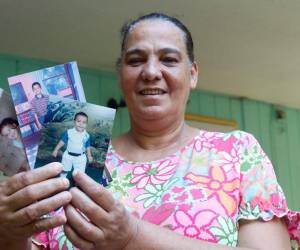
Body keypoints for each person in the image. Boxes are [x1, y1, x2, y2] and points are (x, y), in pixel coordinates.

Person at [0, 12, 299, 250]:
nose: (151, 72)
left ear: (192, 74)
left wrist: (133, 237)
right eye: (136, 60)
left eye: (169, 59)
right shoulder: (80, 164)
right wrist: (10, 234)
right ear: (121, 75)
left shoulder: (237, 153)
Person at [52, 112, 93, 176]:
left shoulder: (87, 135)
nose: (81, 124)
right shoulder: (69, 132)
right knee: (64, 170)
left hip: (80, 157)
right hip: (68, 156)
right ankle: (62, 180)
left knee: (80, 174)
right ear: (74, 122)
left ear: (86, 124)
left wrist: (89, 155)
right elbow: (62, 141)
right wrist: (56, 150)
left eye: (84, 122)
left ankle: (78, 184)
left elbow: (87, 146)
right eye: (78, 121)